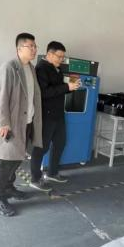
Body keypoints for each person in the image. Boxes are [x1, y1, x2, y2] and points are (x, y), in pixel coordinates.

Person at [0, 33, 43, 217]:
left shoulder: (31, 68)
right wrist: (4, 123)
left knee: (16, 157)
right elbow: (1, 97)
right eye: (31, 46)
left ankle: (9, 187)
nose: (34, 49)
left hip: (26, 122)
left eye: (35, 46)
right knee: (3, 161)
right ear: (19, 48)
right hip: (11, 124)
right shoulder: (9, 67)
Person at [29, 41, 80, 191]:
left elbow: (58, 89)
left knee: (60, 143)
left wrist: (71, 87)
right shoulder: (41, 69)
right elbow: (44, 93)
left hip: (58, 114)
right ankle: (35, 178)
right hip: (47, 114)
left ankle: (52, 172)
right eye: (59, 56)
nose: (61, 60)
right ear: (49, 54)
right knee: (41, 147)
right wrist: (66, 87)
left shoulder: (56, 68)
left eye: (63, 57)